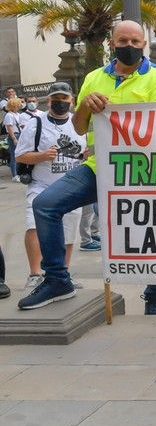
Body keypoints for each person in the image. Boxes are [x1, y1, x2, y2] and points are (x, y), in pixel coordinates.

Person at [18, 21, 156, 313]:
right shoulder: (92, 77)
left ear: (144, 45)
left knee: (150, 230)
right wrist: (87, 106)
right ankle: (57, 280)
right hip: (98, 167)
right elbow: (78, 127)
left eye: (135, 42)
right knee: (44, 205)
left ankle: (155, 297)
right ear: (112, 44)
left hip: (143, 171)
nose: (129, 46)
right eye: (123, 41)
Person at [15, 82, 88, 293]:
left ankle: (62, 274)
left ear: (71, 100)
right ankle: (35, 274)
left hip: (71, 186)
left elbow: (84, 151)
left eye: (64, 99)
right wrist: (41, 156)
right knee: (33, 226)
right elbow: (20, 155)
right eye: (56, 98)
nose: (60, 102)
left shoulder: (80, 123)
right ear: (48, 100)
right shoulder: (35, 123)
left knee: (69, 231)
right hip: (42, 185)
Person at [4, 97, 22, 180]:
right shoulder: (9, 115)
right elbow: (10, 128)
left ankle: (19, 172)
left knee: (19, 155)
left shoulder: (18, 114)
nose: (19, 106)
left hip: (20, 134)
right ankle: (14, 175)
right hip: (14, 135)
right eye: (18, 104)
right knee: (14, 156)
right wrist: (14, 138)